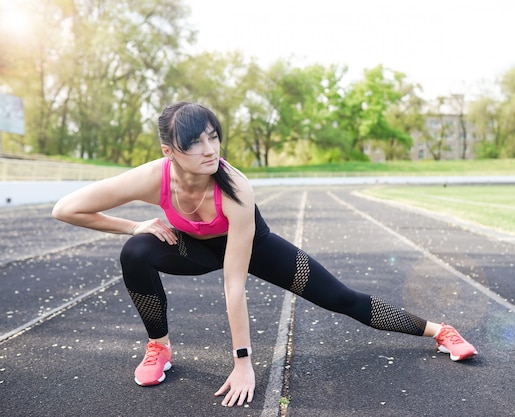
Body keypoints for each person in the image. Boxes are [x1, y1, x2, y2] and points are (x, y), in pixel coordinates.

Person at [52, 102, 477, 407]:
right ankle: (159, 347)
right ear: (169, 152)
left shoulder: (234, 187)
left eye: (213, 136)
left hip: (255, 248)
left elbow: (234, 283)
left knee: (342, 299)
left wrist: (243, 363)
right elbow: (66, 209)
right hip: (192, 248)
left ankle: (440, 331)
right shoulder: (151, 177)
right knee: (136, 252)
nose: (209, 149)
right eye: (195, 143)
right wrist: (136, 224)